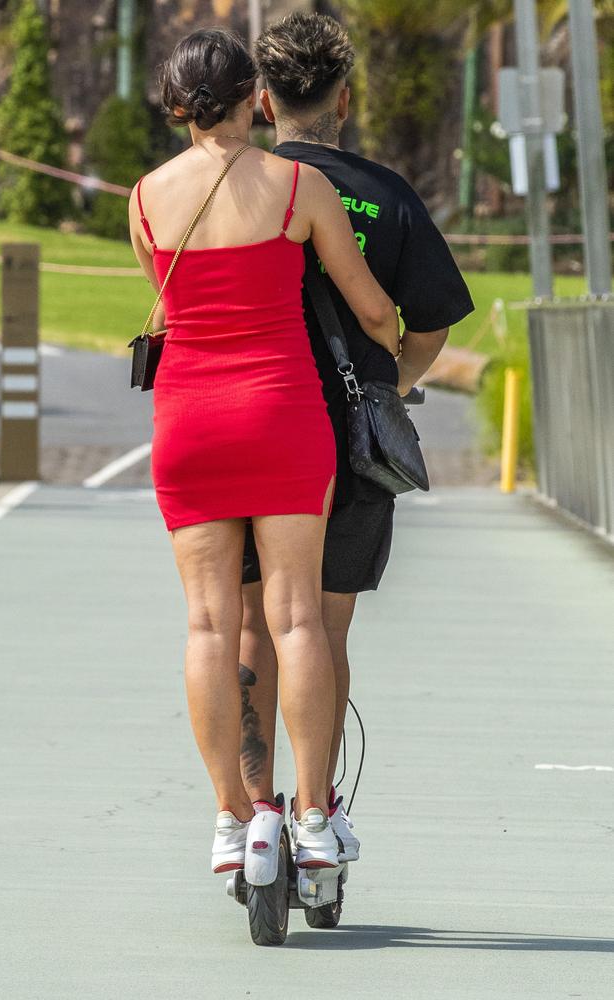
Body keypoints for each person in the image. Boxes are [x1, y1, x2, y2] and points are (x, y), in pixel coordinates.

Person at [128, 28, 400, 873]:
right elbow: (370, 309)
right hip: (283, 415)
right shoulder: (298, 186)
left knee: (210, 622)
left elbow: (171, 308)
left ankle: (230, 820)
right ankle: (313, 819)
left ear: (176, 105)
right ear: (258, 97)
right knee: (295, 618)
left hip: (190, 424)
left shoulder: (144, 198)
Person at [238, 12, 475, 860]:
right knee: (323, 632)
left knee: (250, 629)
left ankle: (252, 813)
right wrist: (388, 388)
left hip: (253, 425)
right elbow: (435, 320)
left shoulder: (241, 187)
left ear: (263, 101)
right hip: (352, 441)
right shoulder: (383, 194)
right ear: (347, 97)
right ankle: (317, 813)